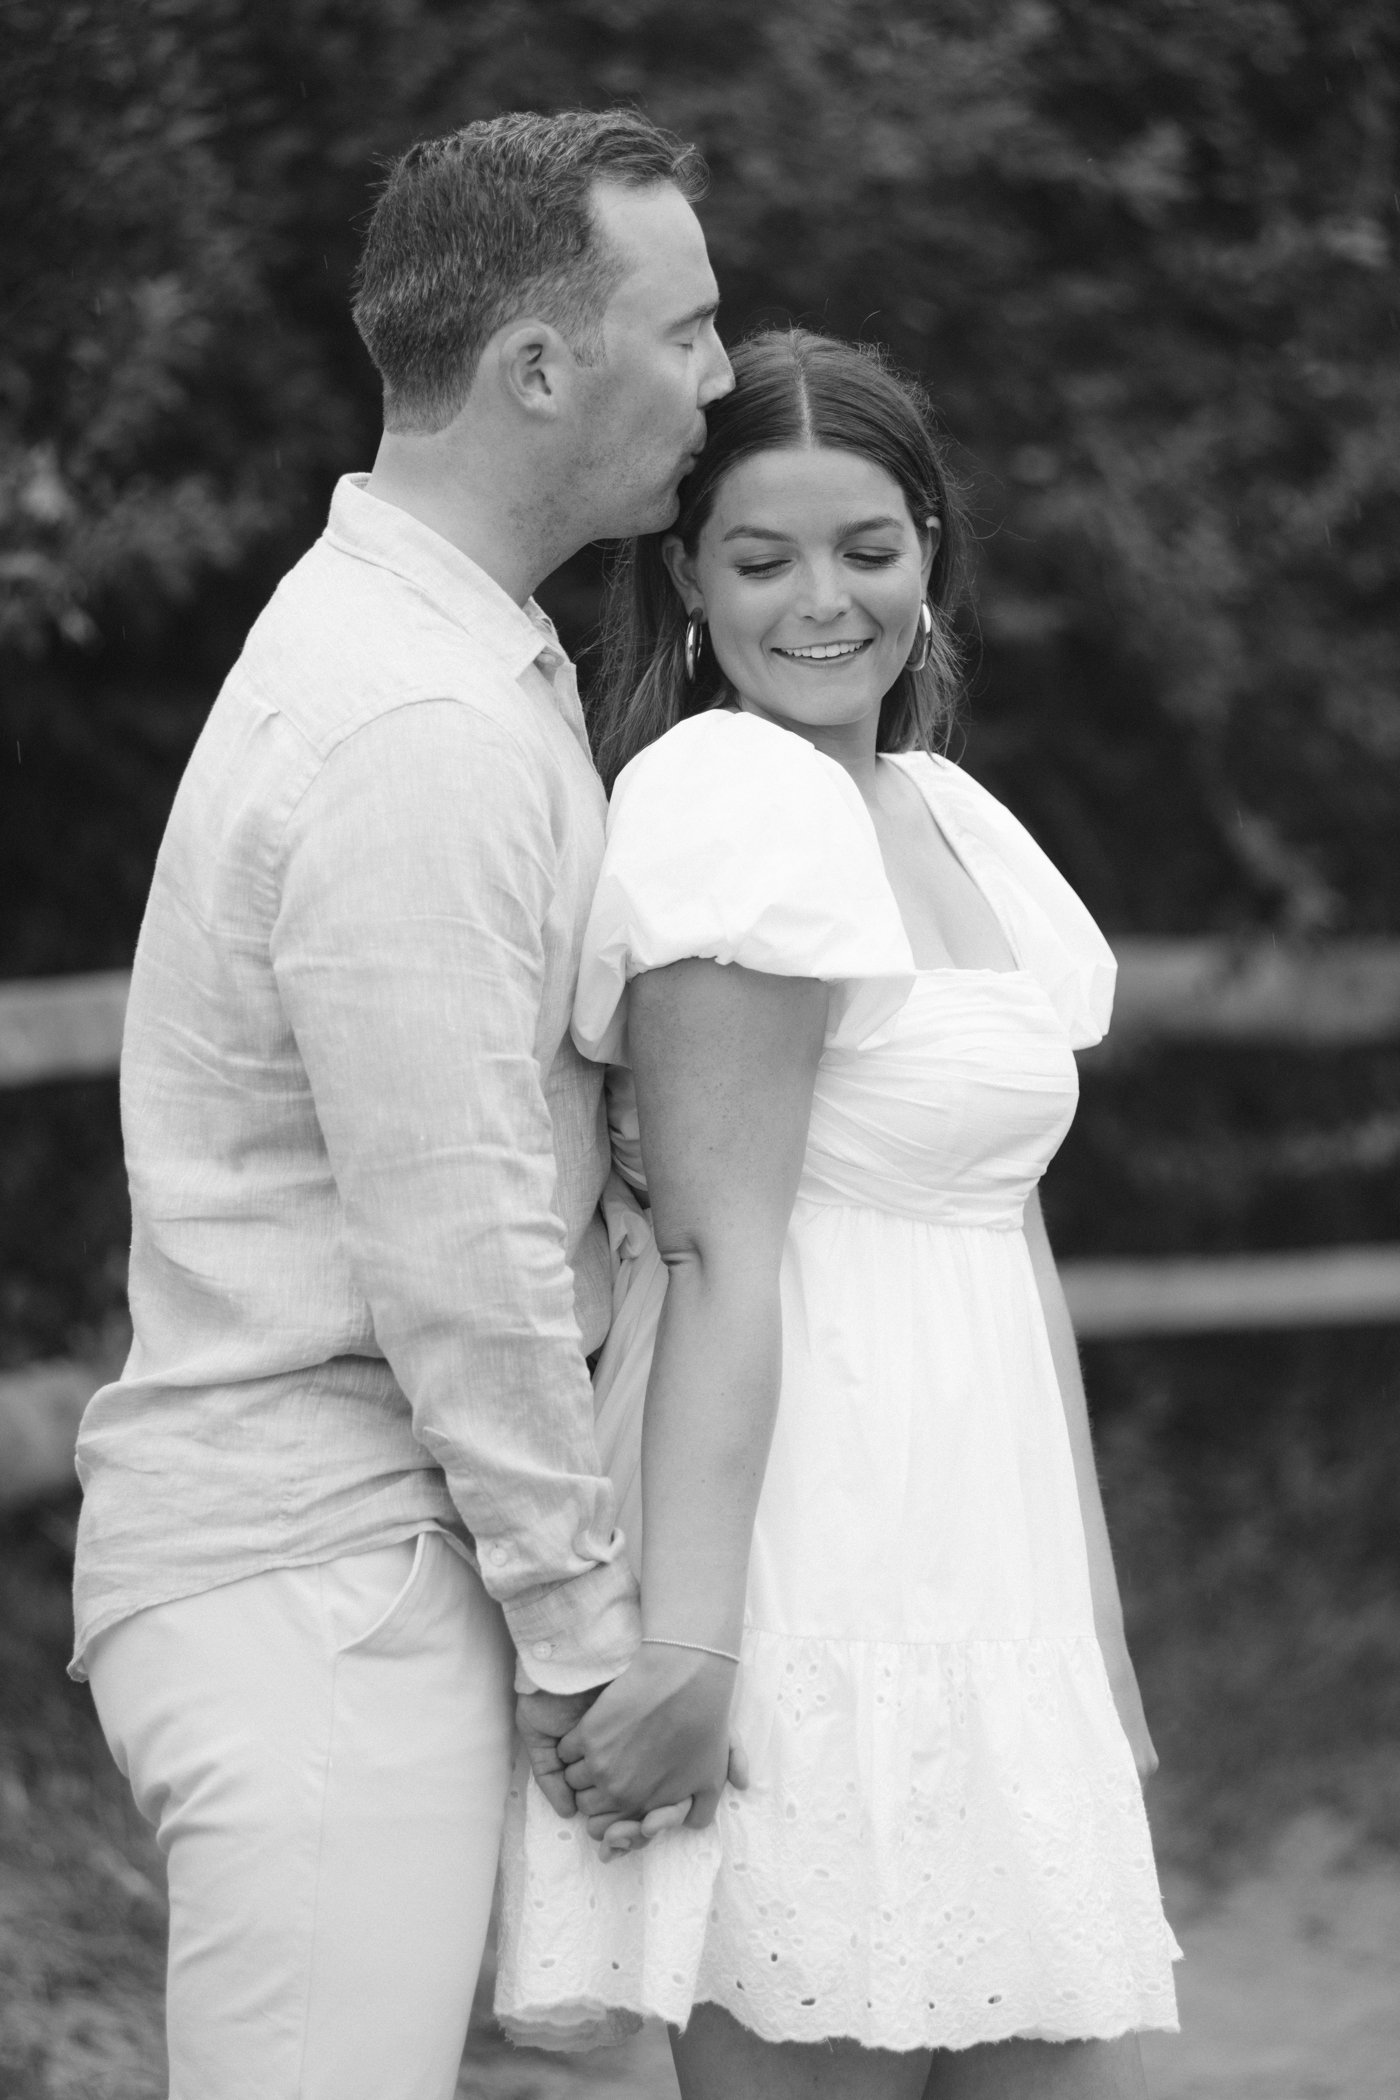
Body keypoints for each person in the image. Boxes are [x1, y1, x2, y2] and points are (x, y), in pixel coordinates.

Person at [68, 109, 733, 2100]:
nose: (716, 377)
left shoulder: (440, 654)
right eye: (683, 328)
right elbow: (460, 1243)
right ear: (538, 366)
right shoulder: (419, 727)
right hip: (321, 1592)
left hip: (365, 1568)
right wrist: (588, 1639)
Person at [494, 329, 1180, 2098]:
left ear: (931, 552)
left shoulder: (950, 814)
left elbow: (1003, 1226)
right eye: (762, 555)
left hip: (992, 1555)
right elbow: (718, 1243)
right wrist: (694, 1647)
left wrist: (1091, 1629)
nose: (824, 600)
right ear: (687, 576)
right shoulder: (733, 804)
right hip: (811, 1547)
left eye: (868, 548)